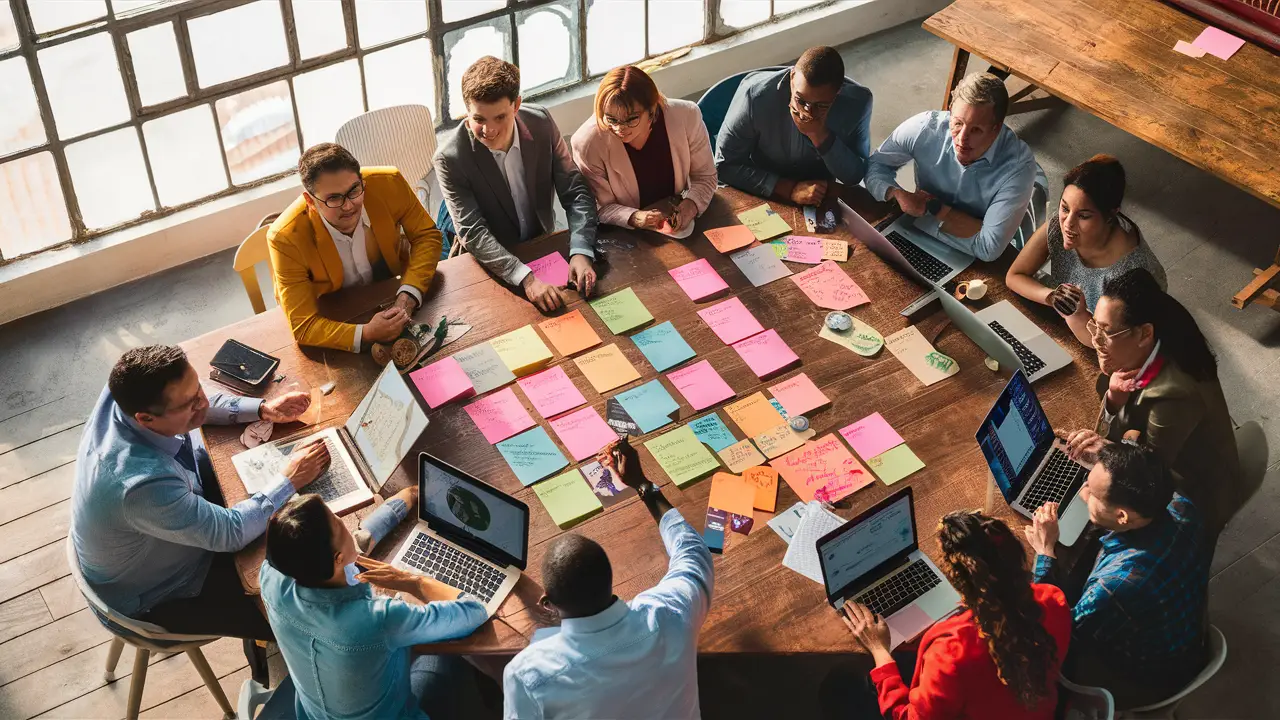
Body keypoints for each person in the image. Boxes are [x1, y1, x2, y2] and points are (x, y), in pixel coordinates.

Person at [70, 345, 330, 683]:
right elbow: (229, 534)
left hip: (147, 545)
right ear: (145, 419)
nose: (203, 404)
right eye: (190, 404)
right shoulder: (139, 486)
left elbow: (194, 401)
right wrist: (289, 480)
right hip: (158, 596)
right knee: (300, 612)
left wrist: (262, 409)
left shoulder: (126, 388)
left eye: (198, 390)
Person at [502, 438, 713, 719]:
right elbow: (693, 552)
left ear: (548, 604)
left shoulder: (529, 674)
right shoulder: (671, 612)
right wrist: (641, 483)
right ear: (611, 579)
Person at [261, 490, 491, 720]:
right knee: (452, 655)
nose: (341, 520)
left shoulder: (271, 579)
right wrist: (412, 582)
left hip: (312, 714)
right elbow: (474, 611)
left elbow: (350, 547)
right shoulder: (376, 619)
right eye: (337, 521)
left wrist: (407, 498)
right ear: (338, 559)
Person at [832, 510, 1070, 720]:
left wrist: (879, 650)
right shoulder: (1054, 601)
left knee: (837, 687)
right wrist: (1045, 553)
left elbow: (909, 717)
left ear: (957, 581)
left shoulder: (951, 653)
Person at [1026, 442, 1210, 709]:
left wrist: (1045, 551)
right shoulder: (1181, 507)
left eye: (1093, 494)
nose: (1083, 492)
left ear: (1122, 516)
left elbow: (1057, 634)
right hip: (1186, 633)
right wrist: (1119, 462)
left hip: (1150, 678)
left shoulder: (1116, 585)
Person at [1060, 267, 1241, 535]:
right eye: (1094, 326)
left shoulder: (1174, 394)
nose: (1096, 341)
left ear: (1145, 334)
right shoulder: (1146, 353)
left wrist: (1106, 452)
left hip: (1194, 495)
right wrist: (1113, 399)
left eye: (1106, 332)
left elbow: (1149, 474)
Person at [435, 56, 600, 312]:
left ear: (517, 105)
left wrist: (581, 250)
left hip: (539, 245)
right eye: (479, 119)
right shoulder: (449, 158)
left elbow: (574, 190)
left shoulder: (541, 122)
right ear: (467, 111)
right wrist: (526, 279)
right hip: (490, 262)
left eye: (499, 117)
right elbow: (474, 233)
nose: (489, 130)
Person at [268, 143, 445, 352]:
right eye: (334, 198)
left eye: (354, 190)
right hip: (333, 321)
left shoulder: (390, 182)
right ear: (310, 201)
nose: (349, 206)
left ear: (362, 181)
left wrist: (408, 297)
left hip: (390, 294)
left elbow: (426, 236)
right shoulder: (284, 238)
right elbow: (303, 326)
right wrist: (366, 333)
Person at [864, 72, 1038, 261]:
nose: (962, 139)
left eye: (976, 130)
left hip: (972, 256)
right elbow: (875, 164)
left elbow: (988, 248)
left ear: (996, 129)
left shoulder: (1018, 168)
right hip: (940, 233)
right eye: (957, 123)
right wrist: (896, 193)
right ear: (950, 111)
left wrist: (932, 208)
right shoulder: (923, 128)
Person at [1007, 155, 1167, 346]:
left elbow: (1113, 345)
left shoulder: (1133, 273)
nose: (1068, 223)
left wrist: (1076, 315)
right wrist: (1051, 297)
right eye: (1065, 208)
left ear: (1111, 215)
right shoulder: (1061, 225)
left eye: (1083, 216)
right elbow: (1014, 276)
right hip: (1062, 326)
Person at [715, 46, 873, 207]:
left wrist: (819, 135)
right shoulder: (755, 98)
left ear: (837, 92)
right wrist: (787, 188)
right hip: (761, 190)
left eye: (821, 105)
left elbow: (855, 176)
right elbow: (724, 166)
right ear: (792, 78)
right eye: (800, 100)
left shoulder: (858, 103)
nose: (807, 113)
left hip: (819, 196)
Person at [570, 65, 717, 233]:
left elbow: (705, 177)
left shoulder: (686, 116)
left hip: (676, 219)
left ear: (652, 110)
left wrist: (691, 205)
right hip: (625, 233)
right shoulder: (587, 143)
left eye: (631, 119)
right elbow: (597, 206)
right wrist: (634, 217)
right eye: (611, 119)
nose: (620, 128)